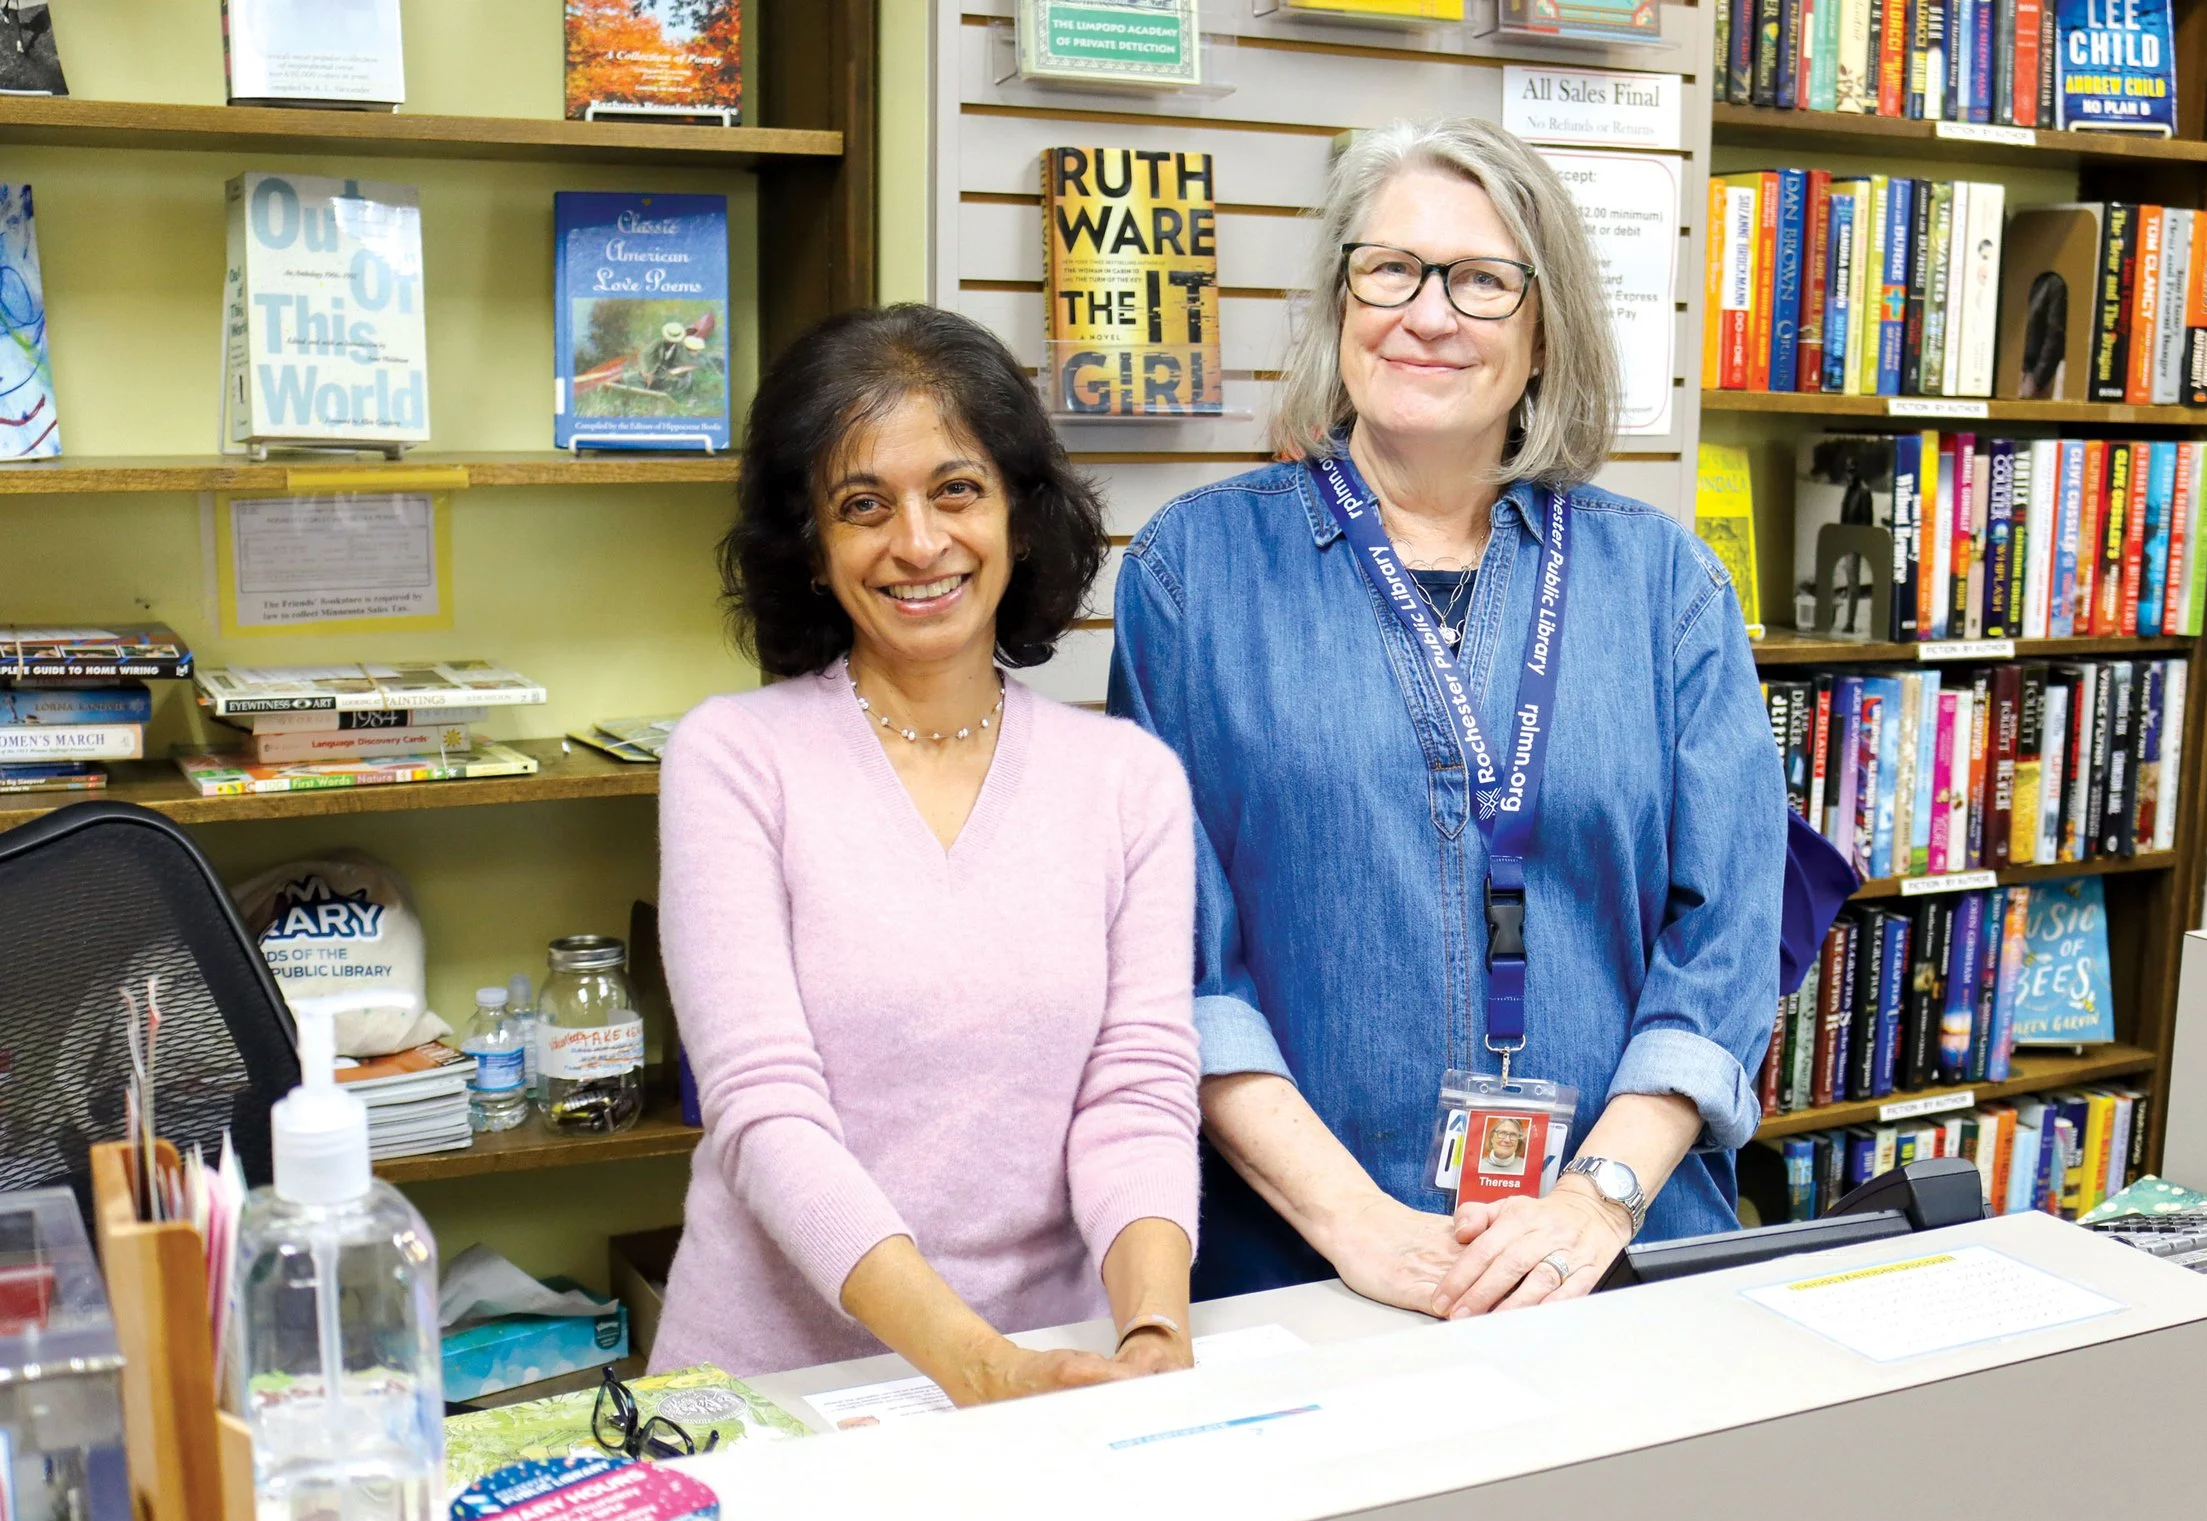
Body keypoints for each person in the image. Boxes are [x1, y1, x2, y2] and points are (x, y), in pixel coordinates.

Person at [1109, 118, 1784, 1320]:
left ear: (1543, 331)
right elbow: (1174, 960)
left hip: (1611, 1264)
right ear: (1339, 300)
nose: (1428, 314)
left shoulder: (1664, 585)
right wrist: (1358, 1227)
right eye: (1391, 269)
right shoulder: (1191, 574)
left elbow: (1724, 939)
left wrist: (1596, 1197)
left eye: (1481, 280)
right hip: (1305, 1267)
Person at [650, 305, 1202, 1401]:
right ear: (810, 548)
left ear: (1020, 515)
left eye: (956, 489)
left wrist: (1151, 1333)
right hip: (777, 1395)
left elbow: (1135, 1096)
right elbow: (764, 1113)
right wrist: (975, 1362)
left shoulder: (1129, 780)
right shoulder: (734, 760)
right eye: (863, 505)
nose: (918, 542)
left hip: (1057, 1373)